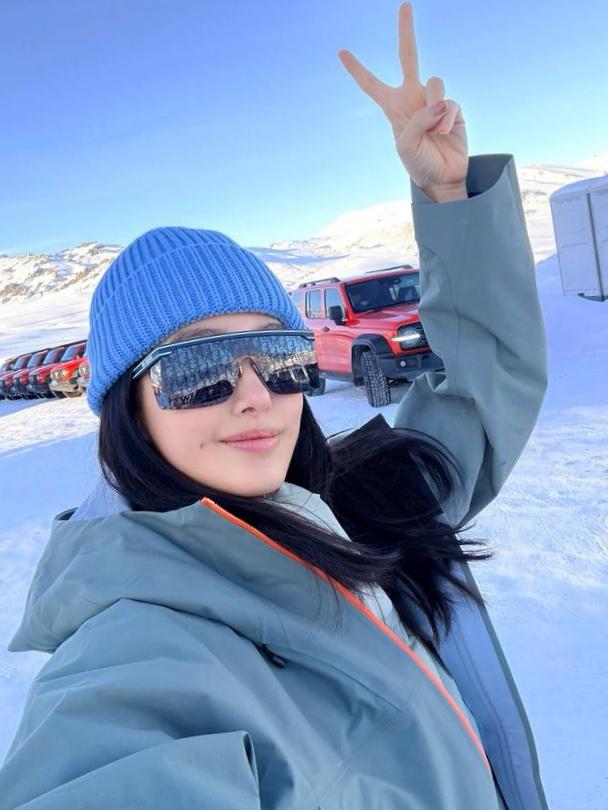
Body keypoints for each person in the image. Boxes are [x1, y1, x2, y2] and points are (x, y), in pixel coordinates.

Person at [0, 3, 550, 809]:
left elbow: (482, 383)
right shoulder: (140, 649)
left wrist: (448, 196)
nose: (255, 395)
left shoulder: (364, 504)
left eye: (280, 357)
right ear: (127, 408)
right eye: (199, 369)